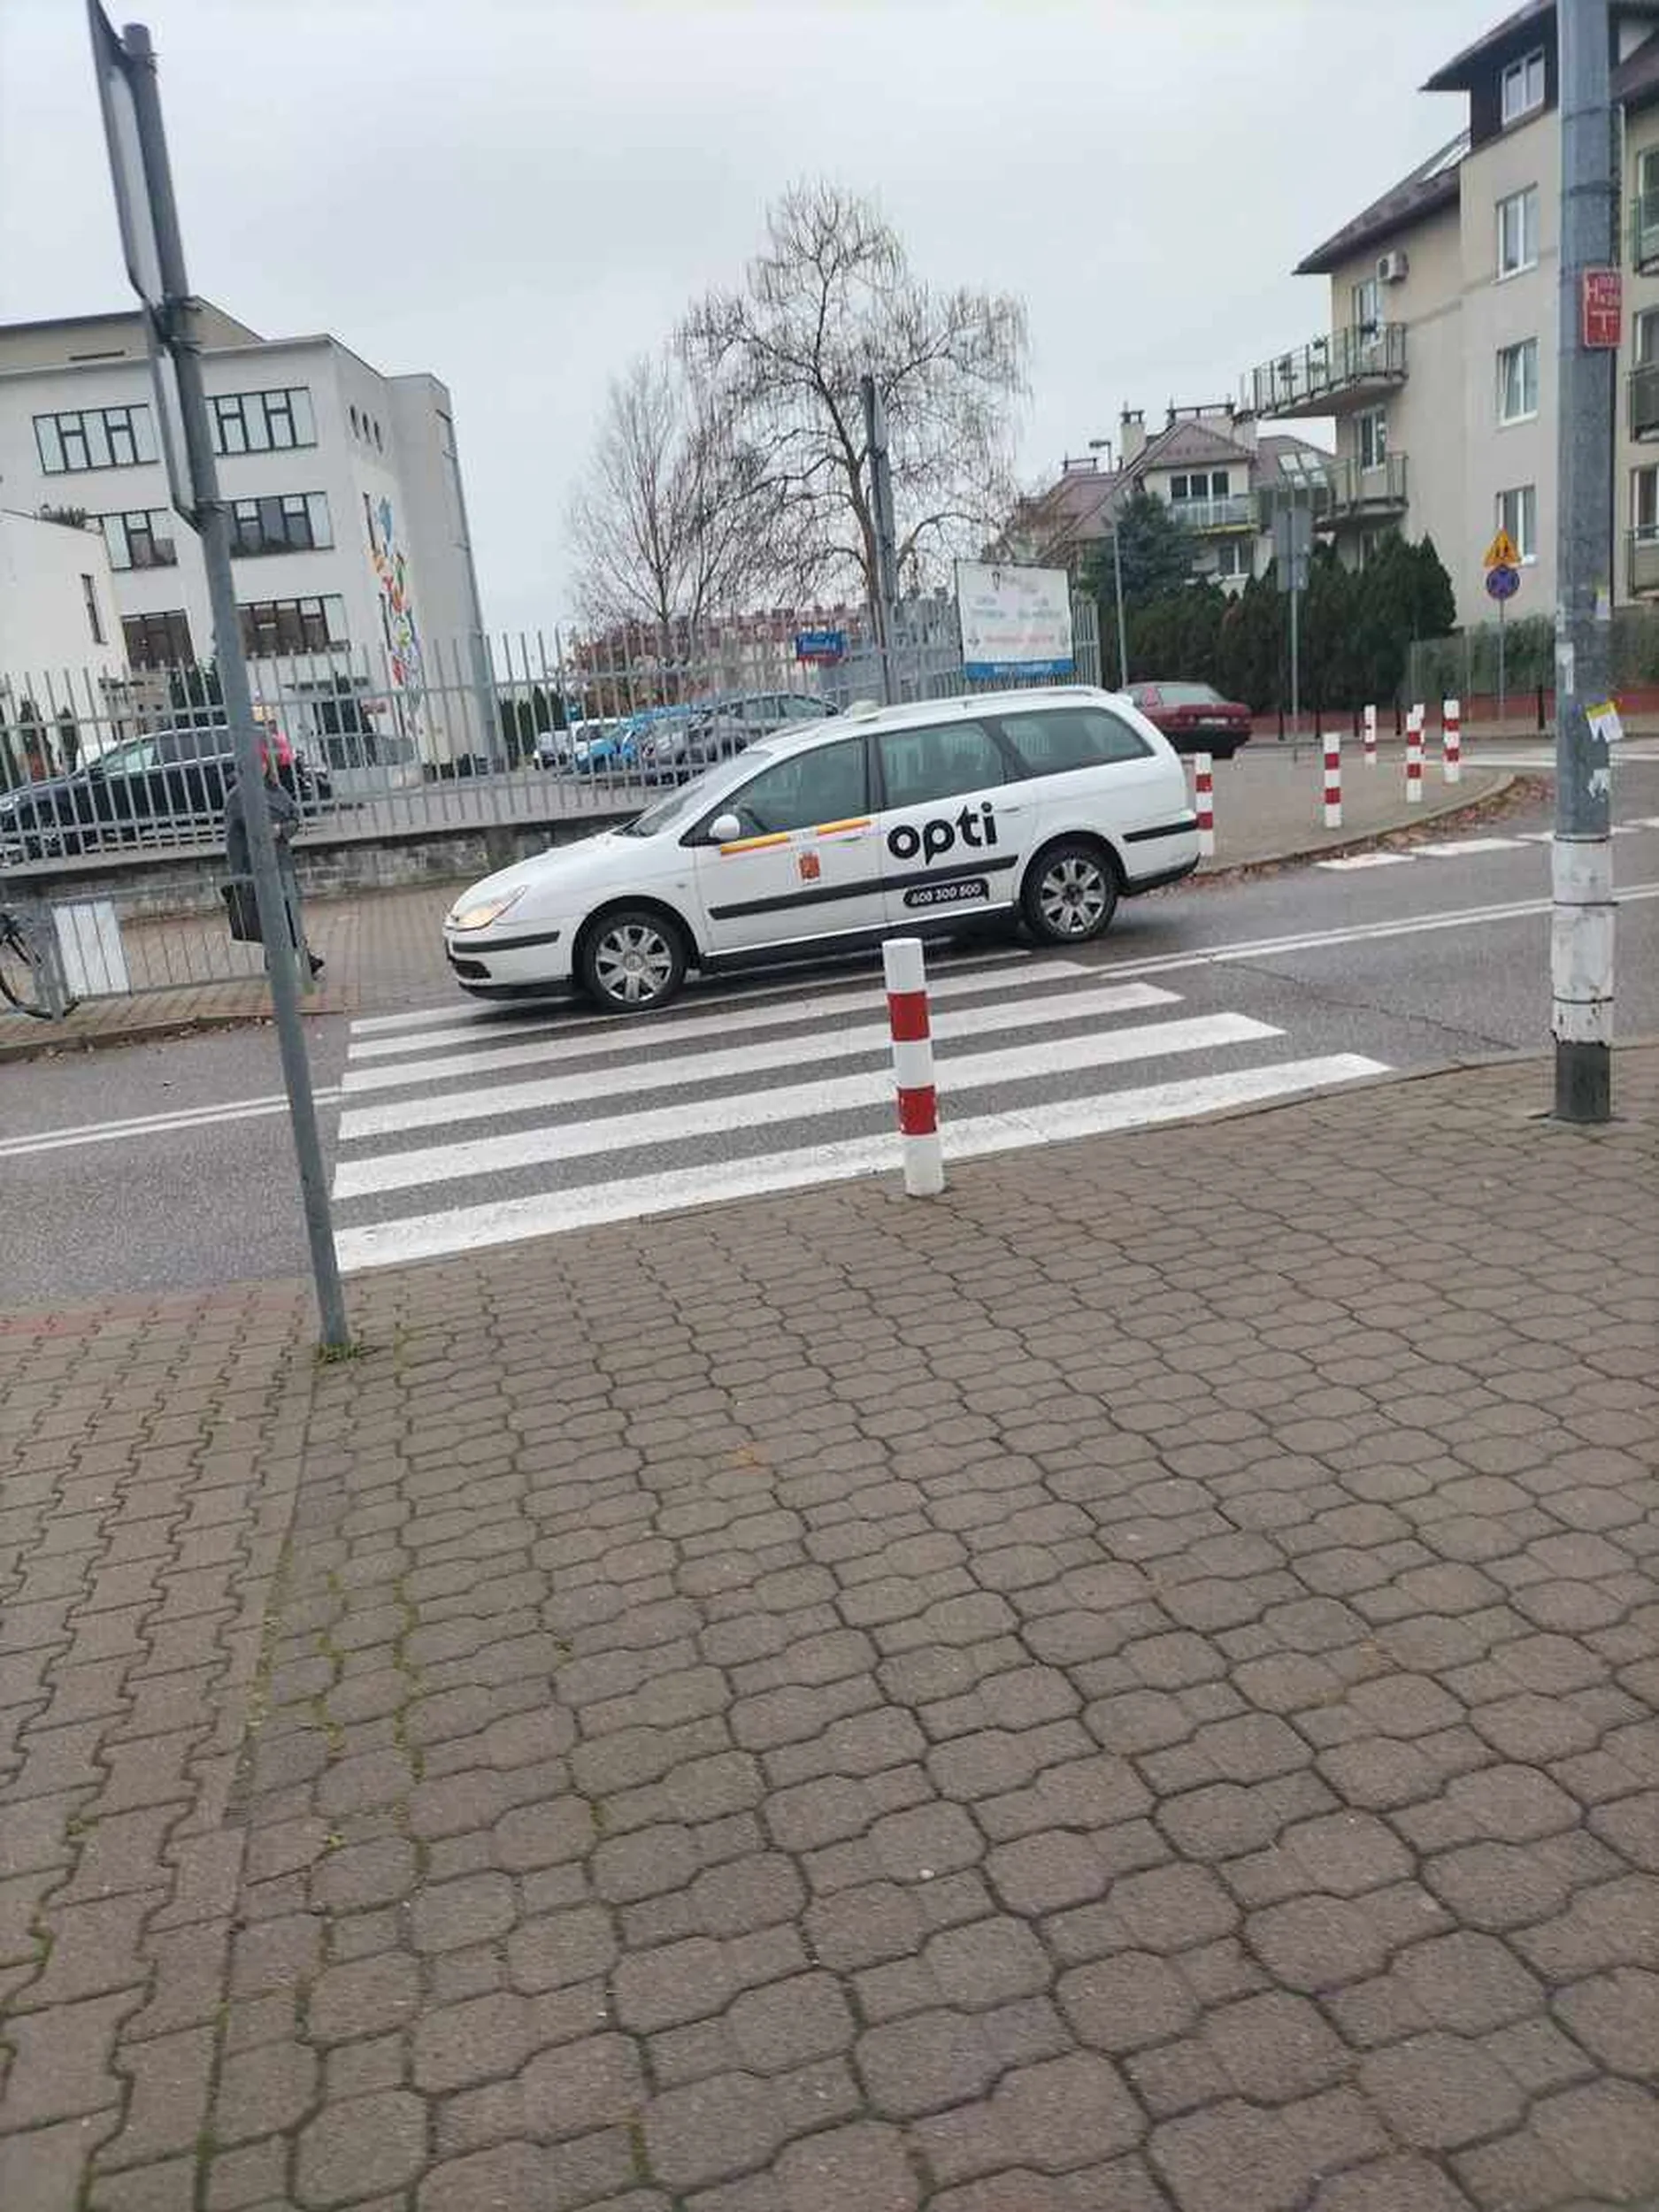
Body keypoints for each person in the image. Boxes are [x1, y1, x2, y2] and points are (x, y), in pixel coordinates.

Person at [221, 745, 324, 977]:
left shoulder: (277, 790)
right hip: (257, 867)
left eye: (262, 763)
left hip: (282, 863)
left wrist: (281, 830)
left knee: (288, 911)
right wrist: (239, 875)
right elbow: (233, 840)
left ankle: (283, 959)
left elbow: (295, 818)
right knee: (273, 916)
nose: (259, 768)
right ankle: (300, 959)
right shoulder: (237, 797)